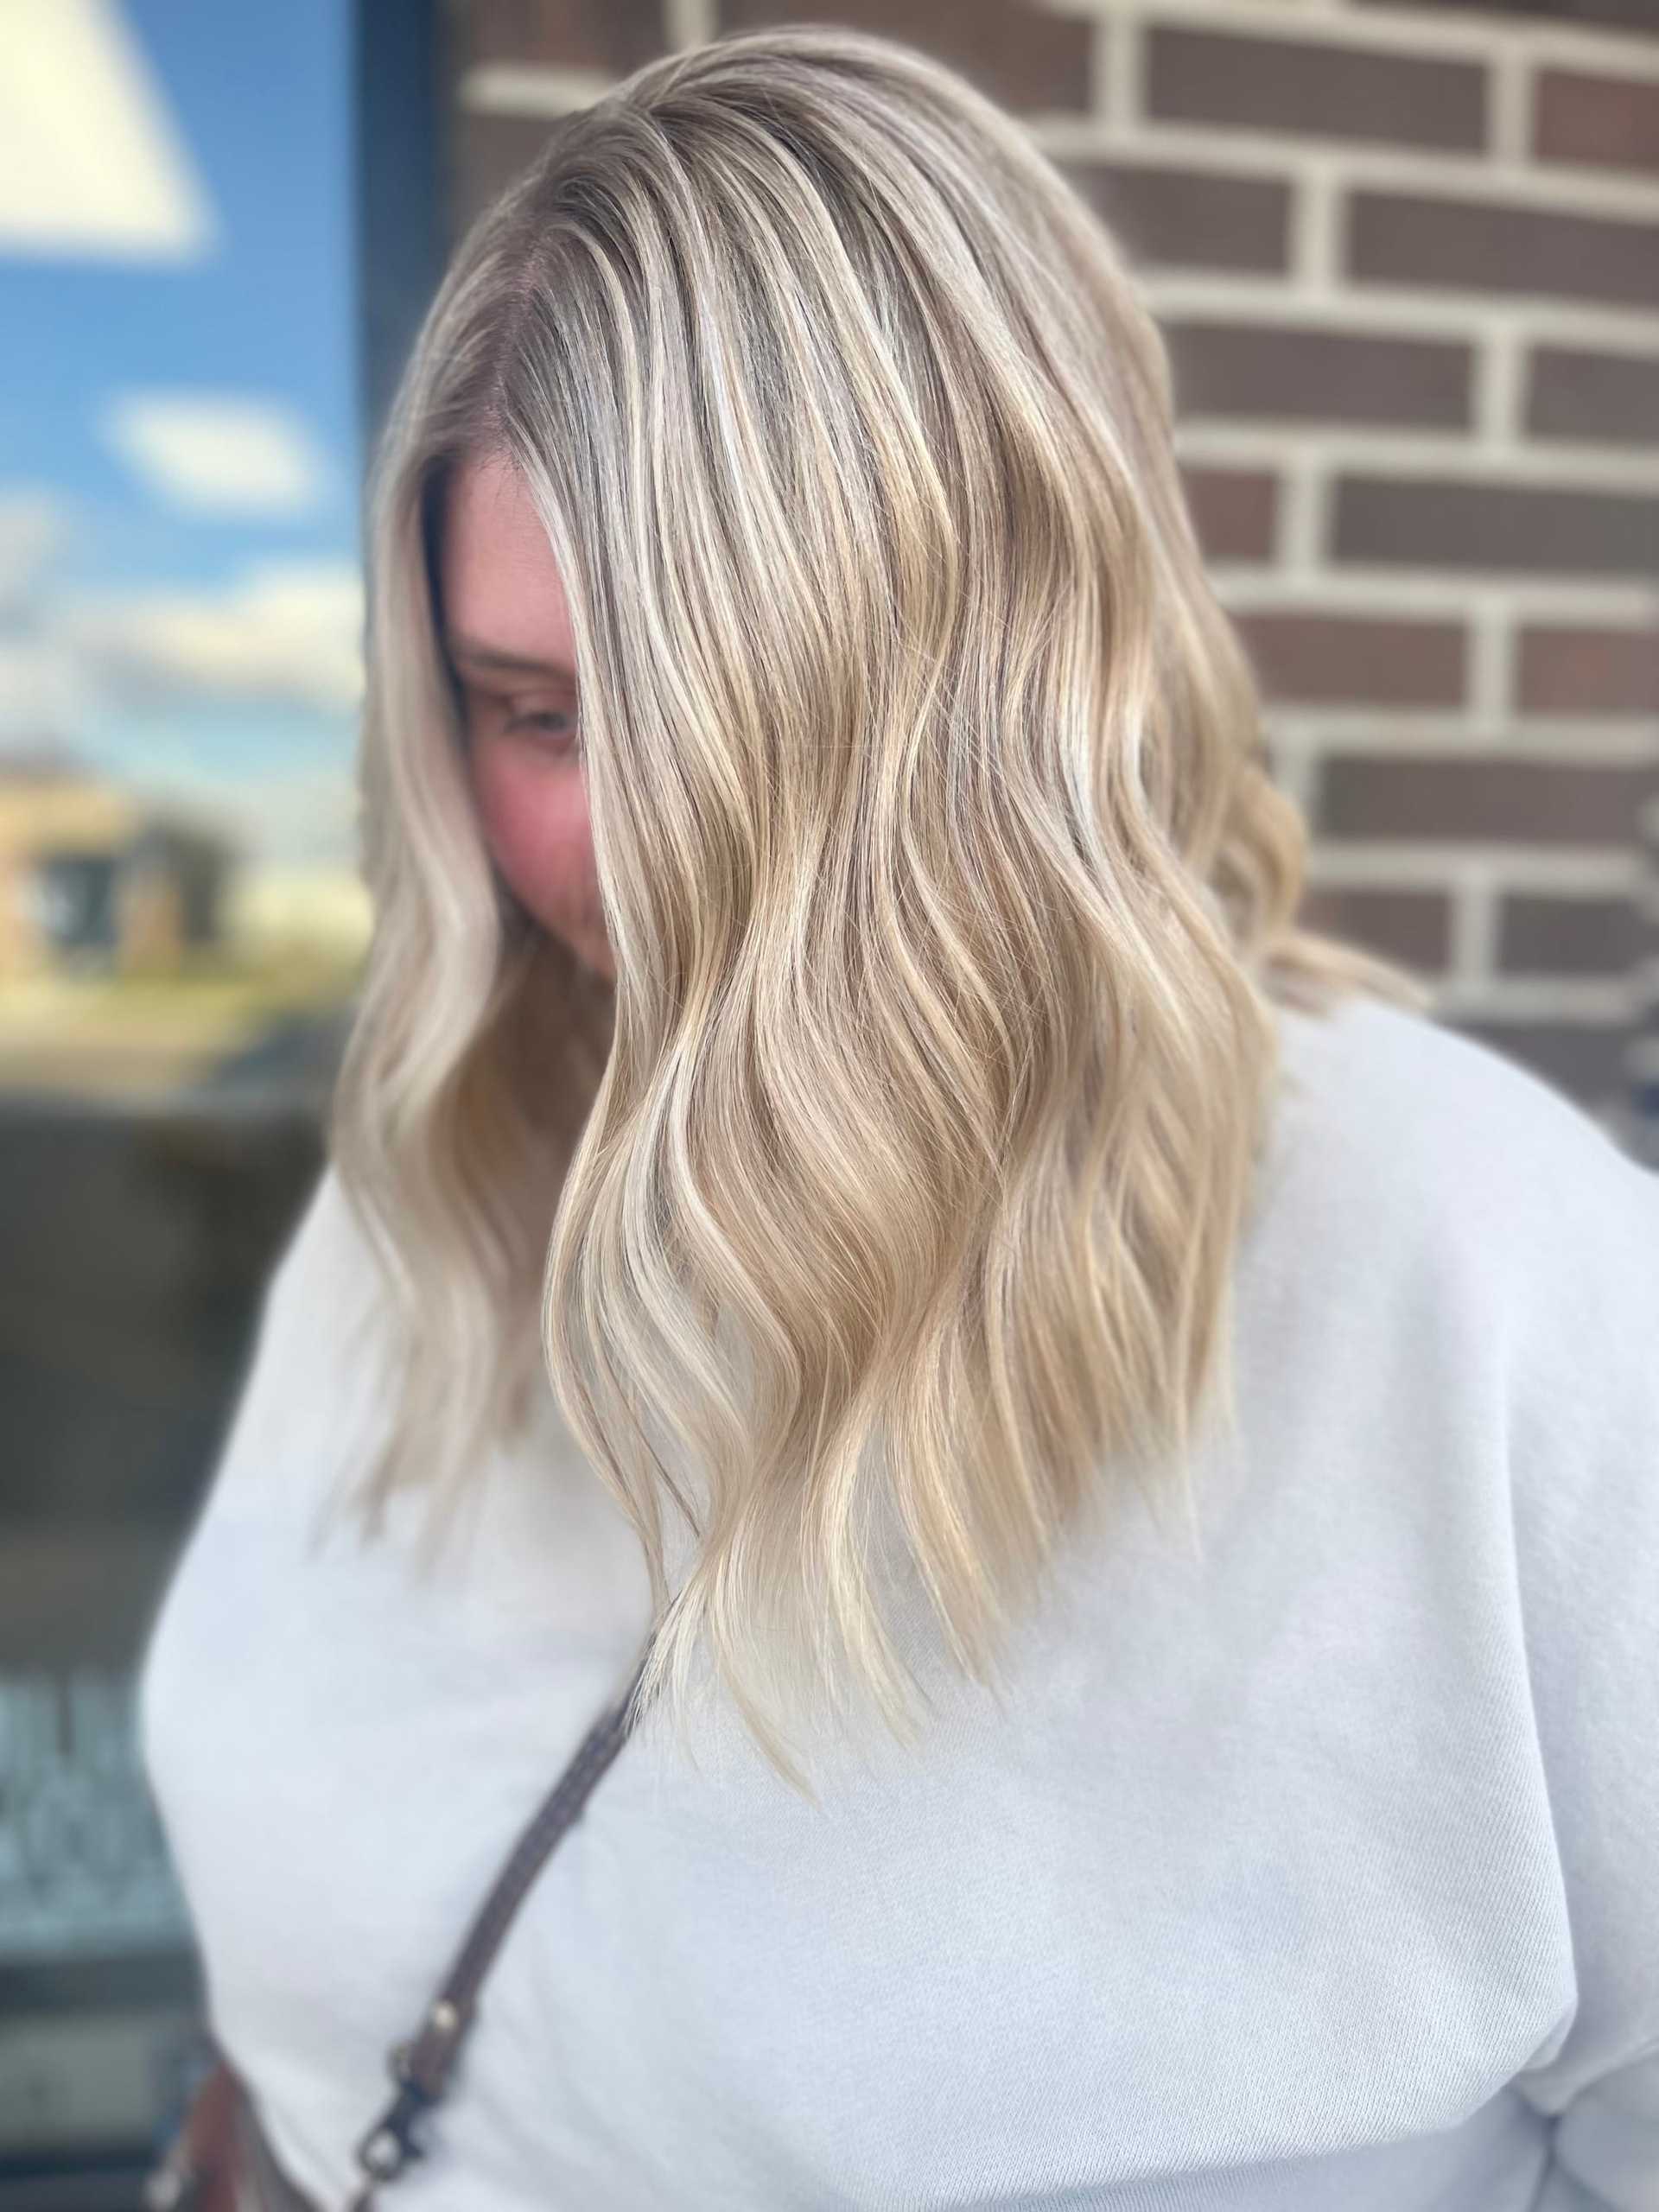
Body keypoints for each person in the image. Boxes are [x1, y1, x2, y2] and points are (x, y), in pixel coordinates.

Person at [136, 23, 1659, 2210]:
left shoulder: (1494, 1299)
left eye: (732, 726)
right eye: (531, 713)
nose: (627, 855)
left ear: (1024, 685)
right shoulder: (442, 1182)